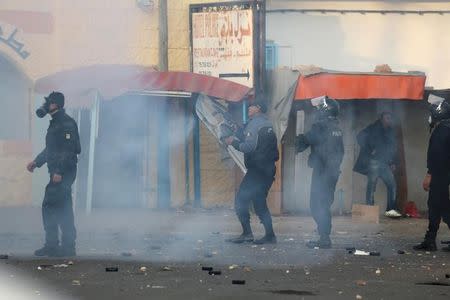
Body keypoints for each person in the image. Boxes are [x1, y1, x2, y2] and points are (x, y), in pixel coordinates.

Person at [27, 92, 81, 257]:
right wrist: (37, 162)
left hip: (64, 171)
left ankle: (56, 246)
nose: (46, 105)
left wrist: (59, 171)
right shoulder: (56, 122)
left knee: (50, 206)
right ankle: (66, 247)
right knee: (62, 206)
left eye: (49, 103)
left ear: (56, 104)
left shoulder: (66, 123)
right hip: (58, 171)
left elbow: (68, 149)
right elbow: (52, 148)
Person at [224, 100, 279, 244]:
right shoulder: (267, 123)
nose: (248, 108)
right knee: (259, 202)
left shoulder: (255, 124)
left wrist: (232, 142)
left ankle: (247, 234)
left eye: (251, 106)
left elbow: (249, 147)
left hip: (257, 171)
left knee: (241, 201)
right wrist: (239, 130)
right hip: (267, 169)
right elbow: (255, 140)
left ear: (258, 108)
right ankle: (270, 235)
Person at [296, 96, 344, 249]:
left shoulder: (321, 126)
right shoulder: (336, 127)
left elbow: (307, 140)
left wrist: (293, 143)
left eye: (319, 109)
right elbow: (340, 151)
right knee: (324, 202)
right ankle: (324, 232)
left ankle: (324, 237)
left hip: (323, 171)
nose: (317, 112)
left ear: (325, 110)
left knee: (317, 204)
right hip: (332, 171)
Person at [414, 95, 450, 252]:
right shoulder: (446, 128)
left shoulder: (442, 130)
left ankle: (430, 240)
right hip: (444, 173)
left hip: (440, 174)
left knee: (441, 206)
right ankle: (430, 239)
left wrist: (430, 175)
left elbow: (437, 155)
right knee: (438, 206)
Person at [354, 112, 402, 218]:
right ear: (381, 118)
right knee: (372, 185)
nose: (389, 120)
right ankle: (369, 211)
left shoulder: (390, 131)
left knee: (392, 185)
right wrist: (369, 149)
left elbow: (393, 147)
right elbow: (359, 137)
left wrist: (393, 162)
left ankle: (391, 210)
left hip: (385, 163)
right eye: (387, 118)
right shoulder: (373, 128)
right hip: (373, 162)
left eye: (390, 118)